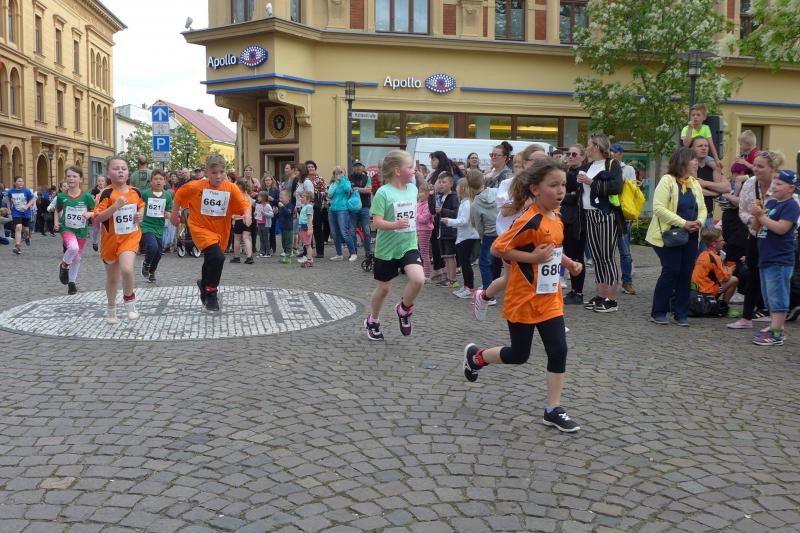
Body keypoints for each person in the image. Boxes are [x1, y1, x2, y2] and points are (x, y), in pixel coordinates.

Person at [462, 157, 583, 433]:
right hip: (523, 298)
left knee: (559, 350)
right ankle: (477, 357)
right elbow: (497, 249)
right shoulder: (530, 219)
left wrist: (569, 263)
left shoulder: (556, 217)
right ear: (535, 189)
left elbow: (552, 249)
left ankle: (553, 409)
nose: (561, 191)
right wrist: (532, 258)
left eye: (563, 185)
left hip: (549, 298)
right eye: (554, 185)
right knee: (519, 354)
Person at [472, 145, 548, 320]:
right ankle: (484, 296)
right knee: (511, 278)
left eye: (544, 160)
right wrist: (527, 201)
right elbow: (505, 211)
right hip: (513, 238)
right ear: (525, 163)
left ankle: (550, 317)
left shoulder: (547, 183)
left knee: (541, 277)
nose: (542, 164)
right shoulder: (509, 184)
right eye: (536, 161)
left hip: (539, 236)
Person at [171, 154, 251, 312]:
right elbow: (179, 195)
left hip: (220, 230)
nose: (218, 176)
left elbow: (244, 204)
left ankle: (204, 284)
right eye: (214, 173)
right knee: (218, 257)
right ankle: (212, 292)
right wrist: (175, 214)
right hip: (200, 228)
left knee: (211, 258)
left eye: (221, 172)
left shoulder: (230, 187)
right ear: (206, 172)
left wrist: (247, 215)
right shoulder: (196, 186)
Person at [364, 150, 425, 341]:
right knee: (384, 289)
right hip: (387, 248)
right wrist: (395, 225)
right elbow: (375, 223)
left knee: (418, 280)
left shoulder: (413, 189)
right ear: (398, 171)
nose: (413, 170)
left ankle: (404, 309)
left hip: (408, 244)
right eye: (410, 167)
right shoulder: (383, 193)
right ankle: (373, 320)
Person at [645, 147, 706, 325]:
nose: (696, 162)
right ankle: (658, 311)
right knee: (671, 270)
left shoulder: (694, 183)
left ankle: (681, 313)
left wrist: (699, 222)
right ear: (683, 161)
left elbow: (702, 208)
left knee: (686, 273)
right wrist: (683, 223)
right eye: (693, 159)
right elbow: (658, 208)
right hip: (669, 235)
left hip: (690, 235)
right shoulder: (667, 180)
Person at [728, 150, 784, 329]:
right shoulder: (750, 184)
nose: (755, 169)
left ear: (773, 168)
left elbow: (792, 211)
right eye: (755, 165)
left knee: (774, 278)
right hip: (755, 236)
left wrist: (766, 219)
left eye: (760, 166)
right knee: (752, 275)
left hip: (776, 240)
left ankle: (775, 322)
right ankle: (746, 318)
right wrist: (751, 220)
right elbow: (742, 211)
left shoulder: (783, 185)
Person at [749, 170, 800, 346]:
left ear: (791, 188)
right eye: (774, 183)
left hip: (780, 259)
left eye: (779, 184)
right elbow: (757, 227)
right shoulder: (771, 203)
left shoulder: (791, 205)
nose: (775, 187)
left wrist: (761, 216)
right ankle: (775, 326)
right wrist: (756, 215)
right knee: (769, 297)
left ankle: (776, 333)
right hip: (766, 257)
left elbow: (781, 228)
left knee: (778, 296)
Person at [94, 156, 146, 323]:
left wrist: (140, 215)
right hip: (110, 241)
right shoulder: (105, 193)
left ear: (128, 172)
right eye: (116, 169)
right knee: (112, 279)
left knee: (127, 269)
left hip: (130, 237)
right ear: (109, 173)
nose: (120, 171)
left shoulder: (135, 191)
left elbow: (141, 205)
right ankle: (111, 308)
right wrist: (115, 207)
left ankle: (130, 302)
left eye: (123, 168)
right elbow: (98, 217)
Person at [578, 133, 624, 313]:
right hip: (589, 214)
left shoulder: (612, 164)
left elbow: (616, 187)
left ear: (596, 147)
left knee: (607, 257)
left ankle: (611, 299)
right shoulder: (587, 166)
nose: (587, 148)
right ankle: (600, 295)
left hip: (605, 214)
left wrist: (591, 182)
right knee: (596, 257)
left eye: (589, 145)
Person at [54, 166, 95, 295]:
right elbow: (57, 210)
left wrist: (90, 214)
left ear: (81, 179)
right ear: (65, 178)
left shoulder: (87, 197)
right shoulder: (61, 196)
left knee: (77, 258)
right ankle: (64, 265)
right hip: (67, 228)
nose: (71, 178)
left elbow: (95, 211)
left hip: (81, 231)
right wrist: (56, 222)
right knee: (73, 248)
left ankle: (72, 283)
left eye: (74, 176)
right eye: (69, 176)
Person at [442, 174, 480, 298]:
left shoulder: (467, 203)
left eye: (458, 186)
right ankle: (466, 286)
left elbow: (463, 221)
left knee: (465, 264)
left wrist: (449, 221)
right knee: (464, 264)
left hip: (467, 237)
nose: (456, 188)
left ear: (463, 188)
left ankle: (469, 288)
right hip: (464, 236)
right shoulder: (465, 202)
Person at [691, 228, 740, 318]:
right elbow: (724, 277)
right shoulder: (715, 257)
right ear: (714, 244)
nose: (724, 242)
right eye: (722, 240)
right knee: (734, 279)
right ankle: (723, 307)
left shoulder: (702, 254)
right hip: (706, 291)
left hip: (696, 290)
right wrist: (730, 270)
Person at [562, 144, 588, 305]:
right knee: (570, 255)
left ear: (582, 157)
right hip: (566, 219)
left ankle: (578, 292)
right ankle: (574, 290)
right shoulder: (567, 172)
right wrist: (568, 195)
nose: (570, 156)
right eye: (568, 153)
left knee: (577, 256)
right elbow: (563, 195)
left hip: (578, 220)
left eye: (574, 154)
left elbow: (578, 196)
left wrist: (566, 196)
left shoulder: (583, 173)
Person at [611, 143, 638, 295]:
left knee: (625, 251)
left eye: (614, 152)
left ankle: (627, 281)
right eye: (610, 151)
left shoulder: (628, 169)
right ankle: (608, 281)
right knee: (606, 253)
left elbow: (631, 189)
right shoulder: (604, 166)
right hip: (608, 213)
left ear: (620, 154)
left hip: (623, 214)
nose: (612, 154)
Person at [140, 170, 173, 283]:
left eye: (161, 179)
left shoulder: (167, 195)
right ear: (151, 182)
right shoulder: (145, 194)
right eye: (155, 179)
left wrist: (167, 214)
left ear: (164, 182)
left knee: (159, 252)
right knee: (152, 246)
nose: (158, 181)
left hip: (159, 227)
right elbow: (139, 206)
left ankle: (152, 271)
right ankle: (146, 264)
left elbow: (169, 211)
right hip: (146, 225)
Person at [470, 169, 501, 294]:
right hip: (502, 231)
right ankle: (496, 285)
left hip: (489, 234)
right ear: (483, 180)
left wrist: (481, 236)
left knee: (484, 263)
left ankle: (488, 293)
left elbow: (478, 224)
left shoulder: (475, 204)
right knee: (500, 261)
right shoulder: (496, 191)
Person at [434, 173, 460, 288]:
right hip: (441, 231)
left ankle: (453, 280)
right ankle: (449, 279)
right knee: (446, 256)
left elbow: (456, 213)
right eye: (440, 182)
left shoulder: (453, 197)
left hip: (450, 231)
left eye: (444, 182)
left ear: (451, 184)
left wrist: (442, 210)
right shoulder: (439, 196)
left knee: (451, 256)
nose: (441, 184)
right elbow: (434, 210)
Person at [327, 166, 357, 261]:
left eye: (340, 173)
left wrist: (342, 180)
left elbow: (347, 189)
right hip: (332, 210)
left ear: (344, 174)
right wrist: (336, 183)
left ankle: (353, 253)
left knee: (344, 232)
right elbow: (330, 194)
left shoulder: (347, 182)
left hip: (342, 210)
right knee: (334, 233)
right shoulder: (333, 184)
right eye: (336, 173)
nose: (338, 175)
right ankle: (339, 254)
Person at [6, 176, 35, 255]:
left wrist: (27, 206)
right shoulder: (11, 191)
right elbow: (8, 198)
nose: (21, 182)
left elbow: (32, 199)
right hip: (16, 212)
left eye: (22, 181)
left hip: (26, 213)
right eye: (19, 181)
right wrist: (8, 208)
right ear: (15, 183)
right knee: (18, 227)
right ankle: (17, 246)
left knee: (26, 230)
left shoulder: (26, 191)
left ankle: (27, 237)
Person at [349, 161, 373, 259]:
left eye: (359, 166)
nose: (358, 168)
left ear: (363, 168)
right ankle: (353, 252)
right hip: (353, 208)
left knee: (366, 230)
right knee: (352, 231)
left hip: (364, 207)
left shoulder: (367, 178)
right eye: (356, 166)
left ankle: (368, 252)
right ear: (353, 168)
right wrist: (363, 189)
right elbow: (348, 191)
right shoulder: (349, 178)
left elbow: (369, 190)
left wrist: (356, 188)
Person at [230, 179, 255, 264]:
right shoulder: (248, 196)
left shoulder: (237, 196)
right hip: (248, 219)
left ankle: (236, 257)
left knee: (237, 239)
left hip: (239, 219)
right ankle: (249, 257)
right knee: (246, 238)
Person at [307, 161, 328, 258]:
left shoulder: (320, 179)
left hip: (317, 205)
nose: (310, 168)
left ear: (315, 168)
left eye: (312, 167)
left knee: (318, 228)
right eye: (308, 167)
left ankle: (320, 252)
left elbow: (324, 191)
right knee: (307, 228)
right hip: (306, 205)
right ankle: (307, 251)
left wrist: (316, 194)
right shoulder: (305, 180)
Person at [416, 181, 434, 279]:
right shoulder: (419, 203)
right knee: (422, 252)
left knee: (424, 253)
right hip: (419, 230)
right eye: (419, 191)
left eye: (422, 192)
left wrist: (416, 215)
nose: (420, 194)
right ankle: (424, 272)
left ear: (427, 194)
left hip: (425, 230)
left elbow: (424, 219)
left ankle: (427, 274)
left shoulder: (428, 205)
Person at [262, 172, 280, 255]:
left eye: (269, 180)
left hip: (272, 213)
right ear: (264, 181)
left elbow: (279, 201)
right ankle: (265, 248)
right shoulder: (262, 190)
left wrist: (272, 199)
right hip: (263, 213)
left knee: (272, 231)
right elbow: (259, 200)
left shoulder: (276, 190)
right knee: (264, 231)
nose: (268, 182)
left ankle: (273, 247)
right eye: (266, 180)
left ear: (272, 181)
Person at [297, 190, 315, 268]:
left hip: (306, 227)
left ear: (308, 198)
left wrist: (310, 229)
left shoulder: (309, 207)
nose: (301, 198)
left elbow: (309, 218)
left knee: (308, 245)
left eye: (303, 197)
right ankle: (308, 258)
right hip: (302, 226)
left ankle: (309, 260)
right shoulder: (305, 206)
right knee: (306, 244)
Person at [89, 175, 107, 252]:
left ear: (105, 182)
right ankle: (94, 242)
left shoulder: (107, 190)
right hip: (95, 212)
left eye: (102, 181)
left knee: (104, 230)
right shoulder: (94, 191)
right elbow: (91, 200)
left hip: (104, 212)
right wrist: (95, 199)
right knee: (96, 230)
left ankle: (103, 247)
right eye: (99, 181)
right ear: (97, 182)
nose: (100, 182)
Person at [277, 190, 294, 264]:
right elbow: (280, 215)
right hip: (282, 227)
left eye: (282, 196)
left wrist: (282, 207)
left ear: (288, 198)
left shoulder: (290, 205)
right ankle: (286, 256)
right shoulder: (281, 206)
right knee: (283, 242)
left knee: (288, 242)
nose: (280, 197)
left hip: (288, 227)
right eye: (280, 196)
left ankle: (288, 258)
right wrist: (276, 212)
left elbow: (288, 213)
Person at [255, 191, 274, 258]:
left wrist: (264, 213)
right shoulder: (259, 205)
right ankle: (262, 251)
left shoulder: (267, 205)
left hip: (265, 224)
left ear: (263, 197)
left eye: (259, 197)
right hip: (259, 223)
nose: (258, 198)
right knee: (261, 238)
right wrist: (255, 214)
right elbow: (257, 213)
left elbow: (272, 214)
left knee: (266, 238)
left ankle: (268, 252)